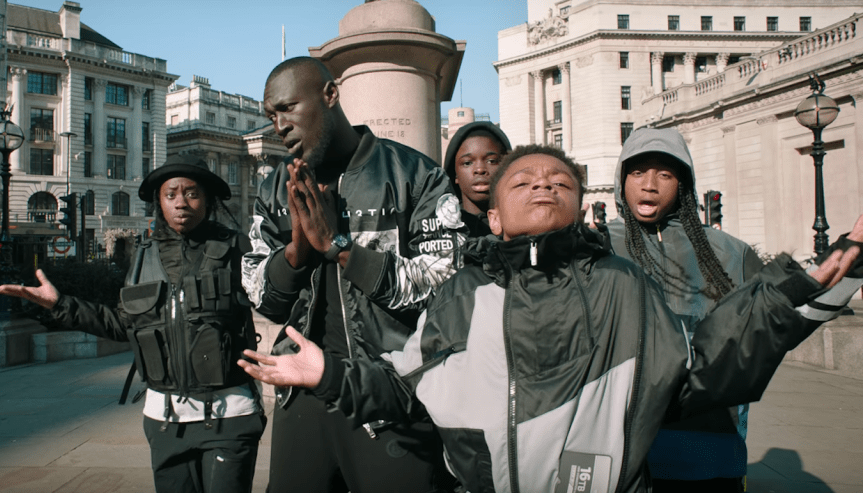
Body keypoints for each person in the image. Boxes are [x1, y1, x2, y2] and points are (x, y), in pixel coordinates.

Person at [238, 144, 862, 493]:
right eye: (525, 181)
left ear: (577, 204)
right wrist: (330, 374)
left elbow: (692, 371)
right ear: (497, 217)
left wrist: (790, 297)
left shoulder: (622, 284)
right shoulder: (460, 292)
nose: (543, 185)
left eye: (560, 181)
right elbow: (407, 387)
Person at [240, 56, 465, 493]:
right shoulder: (273, 189)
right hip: (300, 390)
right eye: (271, 115)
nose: (278, 126)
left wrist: (341, 250)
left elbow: (446, 286)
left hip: (390, 392)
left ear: (329, 95)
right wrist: (296, 255)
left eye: (288, 108)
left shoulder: (413, 174)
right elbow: (261, 297)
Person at [605, 127, 863, 492]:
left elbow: (779, 322)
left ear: (683, 184)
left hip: (709, 450)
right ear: (621, 179)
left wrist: (850, 259)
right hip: (619, 454)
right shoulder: (597, 248)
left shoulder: (730, 252)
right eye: (637, 172)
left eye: (665, 174)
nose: (649, 185)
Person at [0, 154, 264, 493]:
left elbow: (277, 296)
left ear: (208, 200)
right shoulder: (143, 255)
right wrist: (60, 305)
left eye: (192, 193)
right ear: (159, 203)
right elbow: (123, 324)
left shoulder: (236, 247)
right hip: (166, 422)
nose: (181, 202)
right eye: (171, 194)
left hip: (231, 416)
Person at [443, 121, 511, 238]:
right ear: (455, 175)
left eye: (491, 161)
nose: (480, 169)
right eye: (467, 163)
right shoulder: (440, 226)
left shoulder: (524, 223)